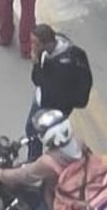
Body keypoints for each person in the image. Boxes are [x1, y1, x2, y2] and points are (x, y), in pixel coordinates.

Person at [0, 109, 82, 210]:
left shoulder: (49, 162)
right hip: (82, 190)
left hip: (59, 206)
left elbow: (25, 175)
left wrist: (0, 174)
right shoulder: (79, 142)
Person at [26, 25, 93, 161]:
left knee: (33, 131)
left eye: (36, 43)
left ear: (47, 43)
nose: (32, 46)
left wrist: (36, 64)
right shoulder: (69, 51)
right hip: (65, 101)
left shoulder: (58, 67)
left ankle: (34, 161)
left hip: (51, 104)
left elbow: (39, 81)